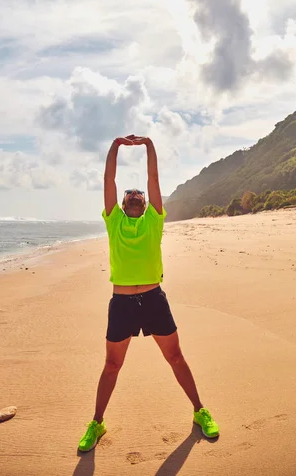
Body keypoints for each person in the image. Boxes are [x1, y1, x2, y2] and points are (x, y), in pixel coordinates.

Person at [78, 135, 219, 452]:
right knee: (112, 365)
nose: (132, 195)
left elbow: (153, 178)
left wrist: (149, 144)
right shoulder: (114, 222)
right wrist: (114, 145)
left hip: (154, 300)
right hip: (122, 304)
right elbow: (108, 179)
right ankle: (97, 422)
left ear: (145, 202)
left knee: (175, 357)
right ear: (121, 204)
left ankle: (200, 411)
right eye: (128, 194)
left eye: (137, 193)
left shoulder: (154, 221)